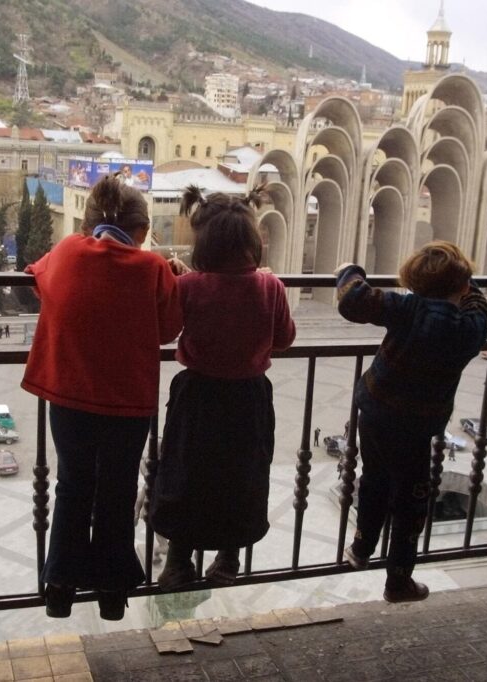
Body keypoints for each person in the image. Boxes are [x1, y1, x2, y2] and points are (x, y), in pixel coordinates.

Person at [20, 174, 182, 621]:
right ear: (143, 233)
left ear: (89, 222)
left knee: (72, 484)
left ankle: (60, 586)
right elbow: (169, 329)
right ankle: (112, 590)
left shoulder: (68, 250)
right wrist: (171, 274)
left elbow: (41, 280)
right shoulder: (153, 270)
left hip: (69, 395)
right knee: (117, 486)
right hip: (127, 403)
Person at [150, 184, 296, 591]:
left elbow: (167, 331)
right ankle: (229, 557)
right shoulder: (271, 288)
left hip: (197, 398)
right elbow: (284, 339)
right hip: (249, 398)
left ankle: (178, 561)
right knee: (241, 475)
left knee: (186, 474)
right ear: (253, 243)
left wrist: (181, 283)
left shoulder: (190, 288)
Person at [336, 241, 487, 603]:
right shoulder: (470, 326)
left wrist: (348, 269)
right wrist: (464, 282)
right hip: (417, 425)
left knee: (373, 479)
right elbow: (478, 303)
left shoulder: (407, 307)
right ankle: (399, 580)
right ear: (463, 285)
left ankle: (361, 548)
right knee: (411, 501)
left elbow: (352, 299)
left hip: (375, 409)